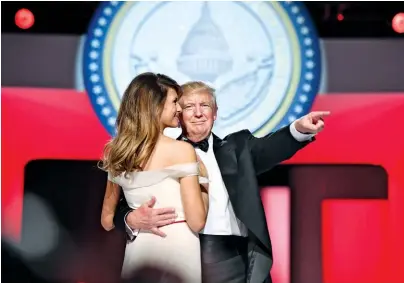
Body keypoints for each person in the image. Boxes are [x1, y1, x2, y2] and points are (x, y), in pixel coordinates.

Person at [114, 81, 329, 283]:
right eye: (189, 106)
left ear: (215, 113)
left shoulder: (238, 148)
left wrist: (298, 130)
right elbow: (121, 202)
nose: (198, 113)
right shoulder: (159, 153)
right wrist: (130, 218)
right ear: (178, 114)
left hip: (235, 258)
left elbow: (269, 148)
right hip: (181, 252)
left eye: (205, 105)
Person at [99, 73, 209, 283]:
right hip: (179, 250)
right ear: (155, 106)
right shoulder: (182, 150)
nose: (179, 108)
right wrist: (205, 183)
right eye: (175, 102)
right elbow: (197, 222)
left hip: (139, 252)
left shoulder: (117, 152)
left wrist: (130, 219)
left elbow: (106, 219)